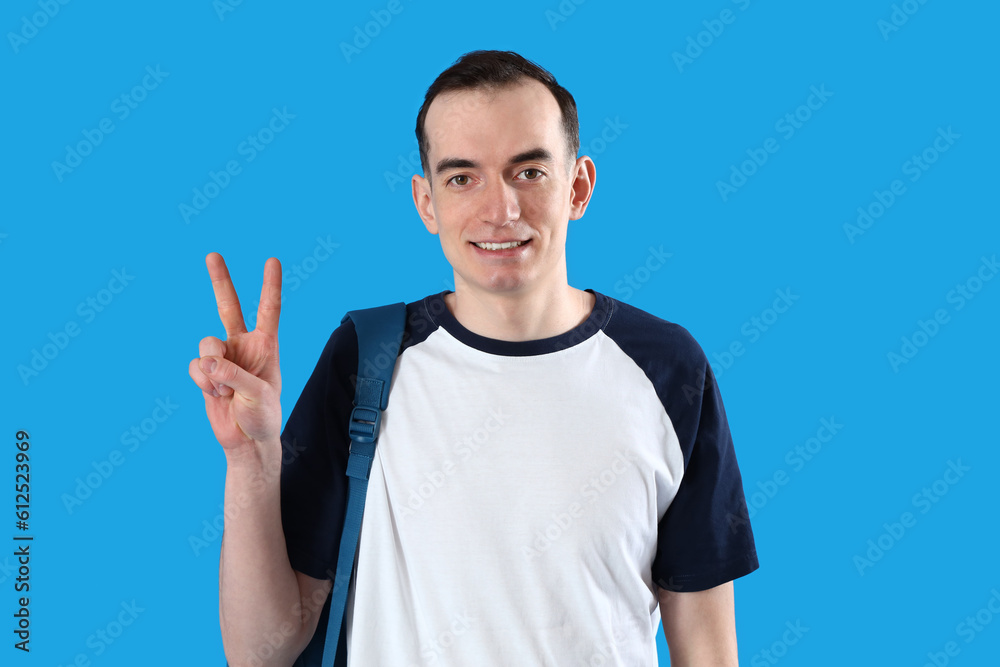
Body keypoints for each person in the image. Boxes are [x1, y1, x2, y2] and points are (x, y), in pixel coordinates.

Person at [190, 50, 758, 666]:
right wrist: (249, 459)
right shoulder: (366, 360)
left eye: (529, 172)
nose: (500, 210)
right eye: (463, 177)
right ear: (426, 201)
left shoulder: (669, 368)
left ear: (579, 186)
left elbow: (707, 652)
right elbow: (260, 654)